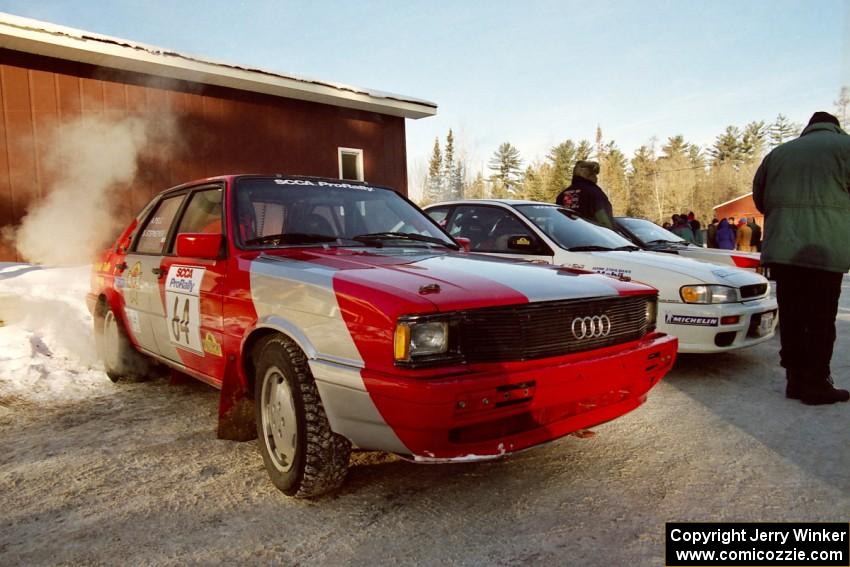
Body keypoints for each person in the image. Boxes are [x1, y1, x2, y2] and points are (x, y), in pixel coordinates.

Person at [753, 110, 850, 405]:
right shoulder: (844, 148)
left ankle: (794, 380)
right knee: (820, 318)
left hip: (783, 249)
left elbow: (760, 198)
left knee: (793, 315)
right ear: (835, 128)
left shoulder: (777, 153)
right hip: (826, 247)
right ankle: (816, 383)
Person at [555, 160, 615, 229]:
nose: (597, 178)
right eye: (595, 174)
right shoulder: (595, 194)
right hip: (591, 237)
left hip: (564, 238)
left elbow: (558, 223)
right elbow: (606, 224)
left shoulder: (562, 196)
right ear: (589, 175)